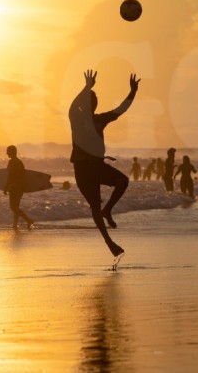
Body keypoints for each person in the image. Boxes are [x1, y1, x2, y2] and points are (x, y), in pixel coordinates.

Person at [69, 69, 139, 257]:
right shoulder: (75, 119)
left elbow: (121, 109)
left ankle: (108, 210)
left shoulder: (100, 119)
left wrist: (133, 91)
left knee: (123, 181)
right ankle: (109, 242)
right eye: (89, 101)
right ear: (83, 104)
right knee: (94, 207)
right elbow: (72, 106)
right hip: (83, 169)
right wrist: (86, 87)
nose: (93, 104)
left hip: (98, 167)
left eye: (95, 102)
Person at [4, 145, 34, 230]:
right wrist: (23, 188)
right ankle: (15, 224)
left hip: (13, 186)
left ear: (12, 152)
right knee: (16, 207)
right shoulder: (19, 162)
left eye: (8, 151)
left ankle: (28, 220)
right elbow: (24, 175)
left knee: (13, 207)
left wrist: (6, 187)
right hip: (19, 186)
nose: (7, 153)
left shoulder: (12, 162)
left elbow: (10, 176)